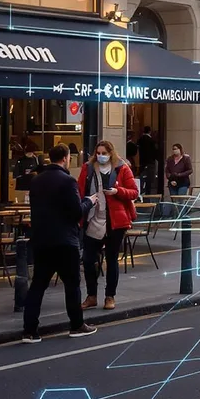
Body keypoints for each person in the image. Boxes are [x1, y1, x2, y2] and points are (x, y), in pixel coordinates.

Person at [22, 144, 96, 340]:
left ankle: (30, 331)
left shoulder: (36, 181)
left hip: (42, 240)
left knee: (38, 285)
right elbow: (76, 211)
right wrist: (90, 201)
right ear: (65, 158)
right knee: (72, 285)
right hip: (65, 241)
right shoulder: (68, 181)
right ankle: (76, 325)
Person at [77, 140, 138, 311]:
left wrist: (118, 191)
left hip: (115, 221)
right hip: (93, 218)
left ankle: (110, 296)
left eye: (104, 153)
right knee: (88, 260)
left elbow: (134, 191)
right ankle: (91, 296)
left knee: (112, 260)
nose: (101, 156)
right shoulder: (87, 169)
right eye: (98, 153)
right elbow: (80, 190)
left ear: (111, 153)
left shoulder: (122, 168)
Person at [136, 125, 159, 195]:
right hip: (150, 162)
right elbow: (155, 152)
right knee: (149, 181)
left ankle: (142, 192)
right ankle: (148, 194)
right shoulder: (152, 141)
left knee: (142, 180)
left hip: (142, 163)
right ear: (150, 131)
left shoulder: (140, 140)